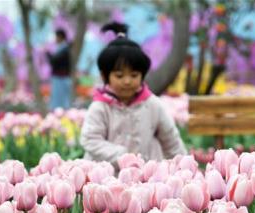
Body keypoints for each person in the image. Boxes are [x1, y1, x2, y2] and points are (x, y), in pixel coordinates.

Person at [80, 22, 186, 167]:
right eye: (119, 75)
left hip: (145, 176)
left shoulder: (153, 105)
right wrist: (123, 156)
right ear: (105, 76)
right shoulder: (100, 107)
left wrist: (184, 166)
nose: (127, 81)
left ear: (142, 75)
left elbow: (171, 140)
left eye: (134, 75)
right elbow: (90, 139)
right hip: (105, 177)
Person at [46, 28, 72, 110]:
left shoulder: (64, 49)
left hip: (61, 78)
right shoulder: (62, 48)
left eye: (56, 37)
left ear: (60, 37)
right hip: (59, 78)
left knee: (61, 101)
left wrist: (48, 54)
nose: (55, 39)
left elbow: (54, 61)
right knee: (59, 100)